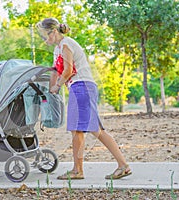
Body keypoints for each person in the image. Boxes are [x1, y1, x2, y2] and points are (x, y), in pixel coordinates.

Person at [36, 18, 132, 180]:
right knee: (96, 130)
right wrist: (48, 87)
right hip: (81, 88)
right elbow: (55, 71)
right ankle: (123, 166)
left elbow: (67, 71)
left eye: (45, 35)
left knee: (77, 130)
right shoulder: (58, 49)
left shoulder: (66, 44)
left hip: (81, 87)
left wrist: (57, 86)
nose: (44, 39)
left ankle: (77, 171)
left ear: (53, 31)